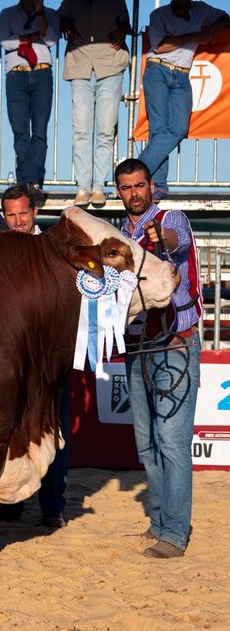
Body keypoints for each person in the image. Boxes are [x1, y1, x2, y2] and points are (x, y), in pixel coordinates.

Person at [115, 157, 201, 558]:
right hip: (138, 345)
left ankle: (176, 533)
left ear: (151, 186)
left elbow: (174, 241)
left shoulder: (170, 218)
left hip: (174, 343)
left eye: (139, 185)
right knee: (147, 443)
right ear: (118, 192)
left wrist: (157, 236)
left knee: (171, 441)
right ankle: (160, 521)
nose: (134, 193)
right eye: (126, 187)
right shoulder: (121, 233)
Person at [0, 184, 70, 528]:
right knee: (13, 432)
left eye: (23, 213)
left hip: (48, 360)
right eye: (11, 215)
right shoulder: (0, 252)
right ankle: (11, 503)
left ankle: (52, 505)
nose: (18, 220)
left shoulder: (53, 249)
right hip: (12, 362)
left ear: (35, 212)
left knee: (52, 430)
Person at [137, 0, 229, 200]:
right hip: (157, 69)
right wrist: (198, 35)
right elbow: (160, 46)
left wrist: (213, 29)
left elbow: (224, 17)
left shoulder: (200, 9)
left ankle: (134, 175)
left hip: (182, 75)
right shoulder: (158, 14)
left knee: (179, 129)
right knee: (158, 130)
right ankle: (156, 184)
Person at [58, 0, 131, 207]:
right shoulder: (70, 2)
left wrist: (121, 32)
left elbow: (126, 24)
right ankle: (82, 187)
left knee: (106, 130)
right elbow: (57, 19)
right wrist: (65, 23)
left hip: (111, 65)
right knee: (81, 129)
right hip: (79, 66)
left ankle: (98, 186)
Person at [0, 0, 60, 200]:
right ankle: (29, 181)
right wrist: (34, 36)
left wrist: (40, 12)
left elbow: (50, 39)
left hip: (42, 73)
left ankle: (33, 181)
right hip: (17, 74)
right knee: (20, 132)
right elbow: (5, 42)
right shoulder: (7, 13)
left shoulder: (49, 14)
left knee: (40, 131)